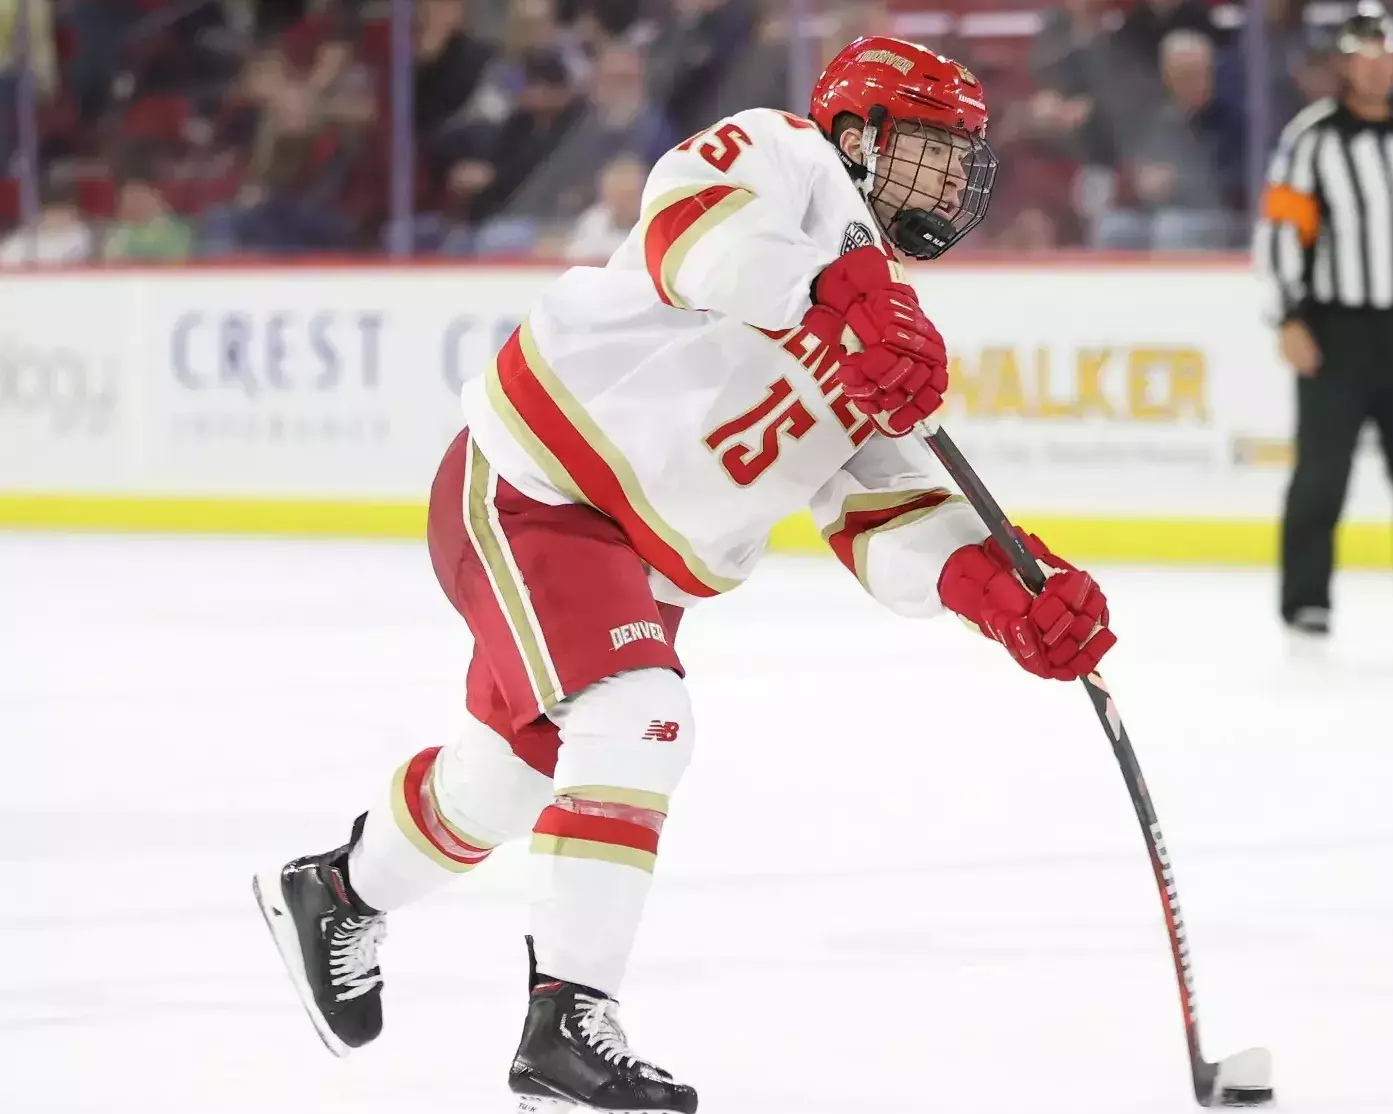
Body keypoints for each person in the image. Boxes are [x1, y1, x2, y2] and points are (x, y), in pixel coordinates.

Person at [254, 36, 1117, 1114]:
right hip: (536, 484)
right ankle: (566, 1023)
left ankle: (336, 891)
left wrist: (997, 591)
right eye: (931, 151)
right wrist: (833, 291)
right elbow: (689, 238)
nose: (953, 179)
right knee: (641, 714)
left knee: (510, 776)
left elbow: (879, 512)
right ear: (857, 134)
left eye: (962, 160)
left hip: (632, 565)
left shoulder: (892, 328)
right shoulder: (785, 156)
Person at [1252, 1, 1393, 652]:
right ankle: (1305, 602)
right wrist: (1288, 318)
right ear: (1344, 64)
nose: (1377, 69)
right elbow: (1278, 234)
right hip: (1337, 330)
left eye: (1387, 56)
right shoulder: (1313, 138)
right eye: (1364, 57)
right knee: (1322, 474)